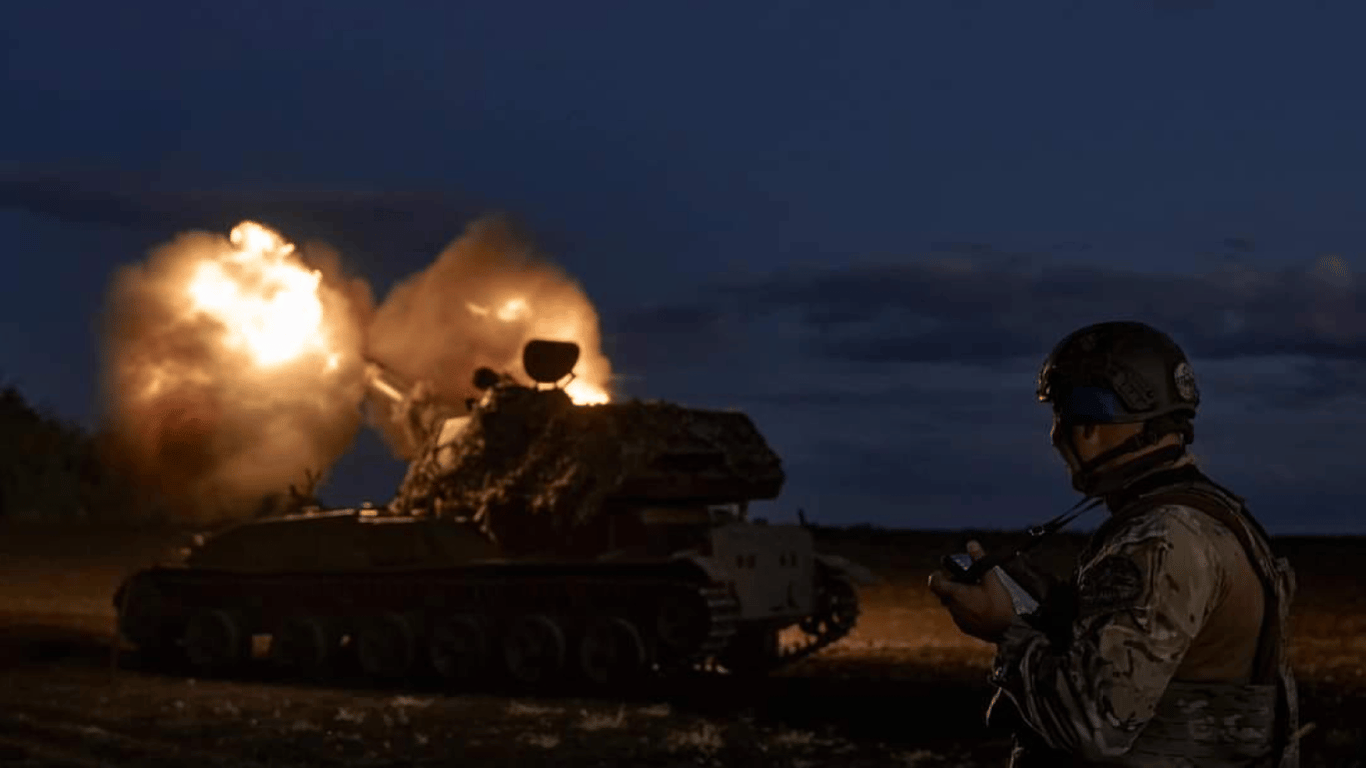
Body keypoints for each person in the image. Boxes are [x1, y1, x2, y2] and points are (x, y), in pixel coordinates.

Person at [927, 321, 1300, 767]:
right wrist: (1052, 612)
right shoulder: (1212, 516)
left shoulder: (1161, 537)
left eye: (1061, 414)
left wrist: (1006, 632)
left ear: (1087, 426)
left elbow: (1096, 725)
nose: (1056, 435)